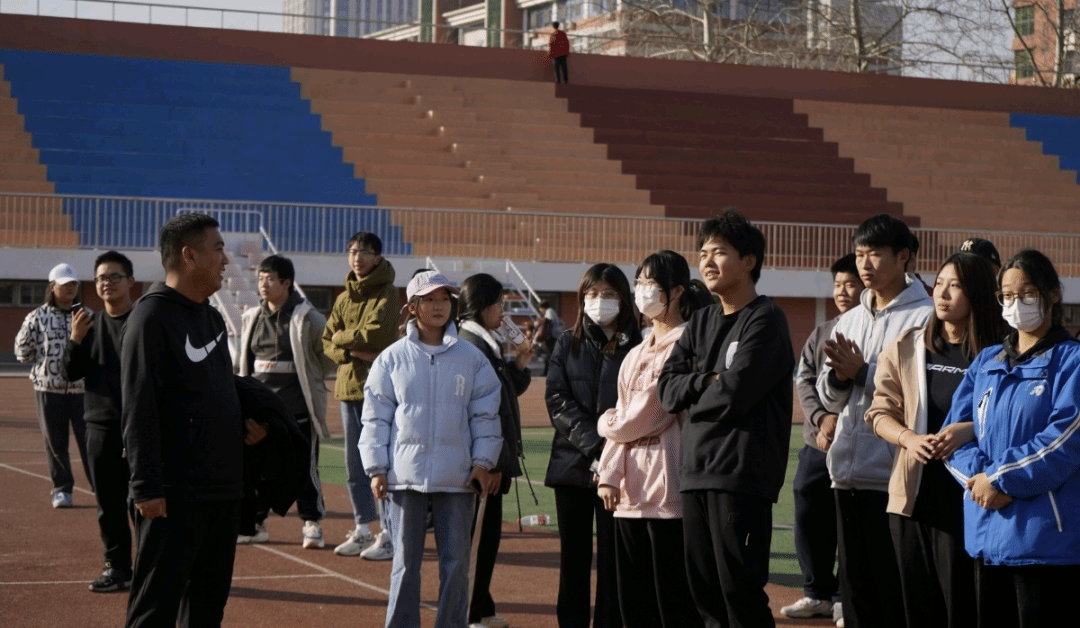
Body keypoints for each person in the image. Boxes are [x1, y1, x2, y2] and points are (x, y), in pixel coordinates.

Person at [657, 210, 795, 628]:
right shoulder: (700, 320)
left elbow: (736, 393)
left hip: (740, 474)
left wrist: (697, 389)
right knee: (706, 594)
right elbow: (667, 392)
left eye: (719, 252)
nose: (707, 261)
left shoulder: (766, 319)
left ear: (749, 260)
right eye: (702, 253)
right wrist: (707, 380)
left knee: (740, 593)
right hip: (695, 472)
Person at [865, 252, 1004, 628]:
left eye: (955, 286)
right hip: (913, 501)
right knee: (917, 610)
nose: (942, 294)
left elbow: (1014, 419)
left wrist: (969, 429)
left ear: (977, 293)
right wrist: (908, 438)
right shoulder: (908, 346)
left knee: (965, 609)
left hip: (971, 501)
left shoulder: (1001, 353)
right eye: (939, 283)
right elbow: (879, 413)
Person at [943, 249, 1080, 628]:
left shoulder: (1071, 361)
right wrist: (979, 482)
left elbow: (1064, 441)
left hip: (1045, 543)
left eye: (1028, 294)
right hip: (986, 536)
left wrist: (999, 479)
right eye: (1007, 295)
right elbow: (953, 436)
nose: (1016, 304)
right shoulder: (987, 361)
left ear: (1053, 294)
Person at [122, 213, 245, 627]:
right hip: (174, 494)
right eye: (218, 249)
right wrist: (146, 486)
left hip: (221, 490)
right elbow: (139, 405)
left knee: (208, 609)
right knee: (154, 610)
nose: (225, 260)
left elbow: (218, 389)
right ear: (189, 256)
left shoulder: (211, 317)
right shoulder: (150, 318)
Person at [360, 271, 502, 628]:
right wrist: (376, 468)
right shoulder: (391, 359)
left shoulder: (472, 358)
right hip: (404, 478)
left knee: (456, 564)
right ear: (412, 307)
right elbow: (375, 418)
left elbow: (486, 415)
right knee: (405, 563)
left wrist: (483, 462)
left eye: (444, 299)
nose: (439, 306)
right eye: (429, 300)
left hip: (458, 478)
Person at [816, 213, 934, 628]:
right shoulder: (849, 319)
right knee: (855, 596)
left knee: (893, 595)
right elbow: (828, 396)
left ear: (903, 256)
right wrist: (838, 377)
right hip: (845, 476)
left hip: (892, 480)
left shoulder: (925, 318)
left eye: (875, 254)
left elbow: (920, 396)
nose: (864, 265)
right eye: (859, 254)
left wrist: (862, 372)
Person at [596, 250, 709, 628]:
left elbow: (650, 414)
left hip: (668, 488)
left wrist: (606, 423)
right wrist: (610, 473)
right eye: (640, 282)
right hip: (630, 492)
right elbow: (626, 416)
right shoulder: (635, 354)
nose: (642, 290)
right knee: (633, 600)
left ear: (676, 291)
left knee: (671, 600)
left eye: (652, 283)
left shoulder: (686, 344)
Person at [546, 263, 639, 628]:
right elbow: (557, 400)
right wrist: (598, 445)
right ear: (583, 298)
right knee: (573, 558)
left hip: (622, 469)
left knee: (615, 559)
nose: (601, 301)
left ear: (624, 299)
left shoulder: (639, 347)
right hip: (572, 465)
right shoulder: (566, 342)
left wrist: (611, 452)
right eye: (594, 293)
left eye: (610, 293)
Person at [782, 253, 863, 625]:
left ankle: (847, 598)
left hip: (858, 442)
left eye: (851, 284)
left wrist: (840, 421)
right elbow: (804, 380)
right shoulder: (821, 331)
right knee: (807, 505)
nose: (842, 291)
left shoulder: (873, 329)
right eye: (838, 284)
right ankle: (817, 593)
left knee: (851, 517)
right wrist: (820, 418)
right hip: (818, 442)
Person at [235, 254, 336, 548]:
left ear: (287, 283)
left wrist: (312, 378)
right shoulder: (252, 317)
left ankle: (312, 523)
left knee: (304, 469)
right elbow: (246, 361)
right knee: (257, 469)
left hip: (297, 411)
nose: (263, 284)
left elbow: (327, 358)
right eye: (260, 279)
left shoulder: (309, 318)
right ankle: (255, 523)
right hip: (260, 413)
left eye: (270, 279)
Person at [456, 273, 534, 628]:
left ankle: (481, 606)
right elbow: (483, 412)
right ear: (483, 306)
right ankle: (470, 612)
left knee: (486, 539)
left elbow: (501, 395)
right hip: (484, 463)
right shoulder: (472, 345)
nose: (503, 311)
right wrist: (493, 463)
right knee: (478, 541)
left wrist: (519, 364)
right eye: (499, 303)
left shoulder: (485, 343)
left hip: (490, 459)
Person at [59, 252, 137, 592]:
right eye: (101, 278)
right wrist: (75, 339)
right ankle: (117, 568)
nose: (107, 283)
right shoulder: (88, 326)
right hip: (101, 428)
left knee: (146, 503)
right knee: (109, 505)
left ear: (130, 281)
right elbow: (69, 373)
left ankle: (154, 568)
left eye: (114, 277)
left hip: (140, 428)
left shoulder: (144, 323)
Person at [322, 232, 400, 559]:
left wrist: (343, 338)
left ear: (377, 258)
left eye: (365, 252)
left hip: (379, 389)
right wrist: (350, 350)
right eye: (353, 251)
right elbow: (326, 340)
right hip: (348, 388)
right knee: (354, 466)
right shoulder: (343, 298)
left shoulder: (388, 292)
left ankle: (389, 533)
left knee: (382, 463)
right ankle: (363, 529)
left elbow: (376, 336)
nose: (357, 257)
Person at [15, 262, 88, 509]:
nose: (70, 288)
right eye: (65, 284)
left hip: (82, 391)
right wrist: (45, 364)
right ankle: (62, 489)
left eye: (74, 284)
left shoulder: (86, 315)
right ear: (52, 287)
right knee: (56, 443)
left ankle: (103, 487)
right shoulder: (37, 317)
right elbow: (22, 351)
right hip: (48, 390)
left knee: (91, 442)